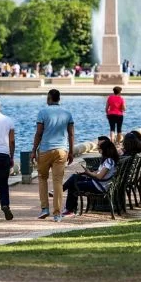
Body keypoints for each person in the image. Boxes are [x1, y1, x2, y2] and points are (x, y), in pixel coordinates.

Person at [31, 89, 74, 223]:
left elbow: (39, 133)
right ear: (59, 99)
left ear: (49, 98)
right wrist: (71, 151)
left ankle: (45, 208)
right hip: (62, 150)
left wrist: (33, 150)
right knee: (58, 181)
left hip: (45, 150)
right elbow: (71, 134)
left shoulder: (42, 112)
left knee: (42, 178)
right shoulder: (67, 114)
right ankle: (57, 213)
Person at [61, 139, 120, 216]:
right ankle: (62, 193)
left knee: (73, 185)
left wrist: (88, 173)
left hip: (98, 186)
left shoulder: (108, 161)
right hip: (98, 183)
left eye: (99, 149)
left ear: (104, 150)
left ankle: (69, 208)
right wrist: (88, 173)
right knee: (74, 177)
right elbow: (99, 173)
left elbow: (99, 176)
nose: (98, 150)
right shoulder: (109, 160)